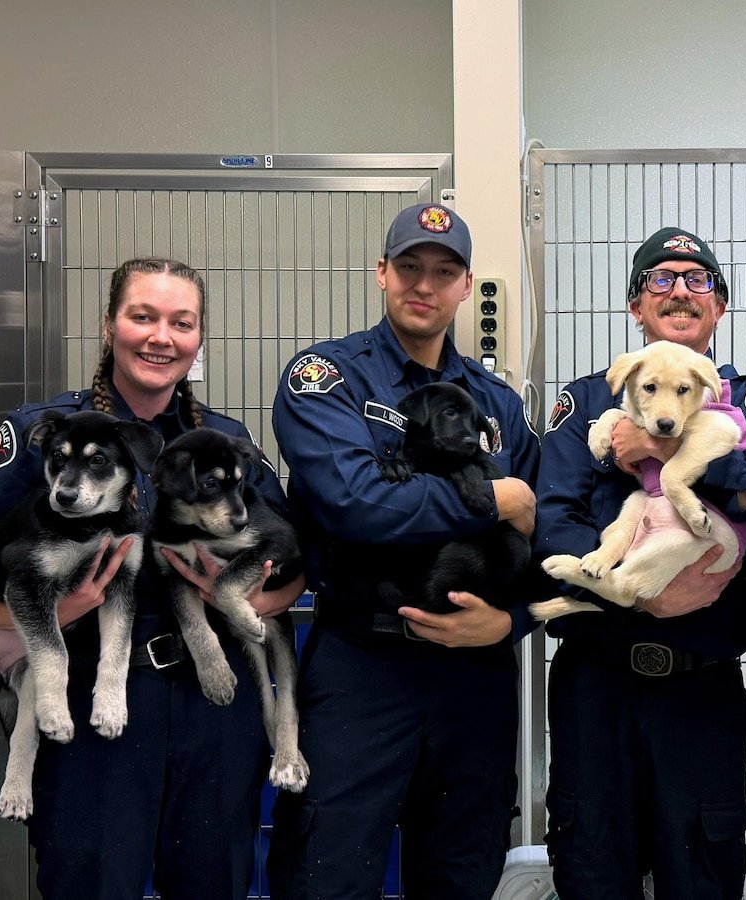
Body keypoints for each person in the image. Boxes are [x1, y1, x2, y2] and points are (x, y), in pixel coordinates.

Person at [0, 257, 304, 899]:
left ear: (199, 336)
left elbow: (290, 571)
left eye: (181, 322)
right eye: (142, 317)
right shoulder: (46, 434)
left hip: (213, 705)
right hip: (91, 699)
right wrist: (58, 615)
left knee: (215, 881)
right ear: (109, 327)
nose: (162, 337)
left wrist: (236, 597)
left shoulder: (225, 443)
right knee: (92, 883)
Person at [266, 202, 540, 899]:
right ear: (381, 273)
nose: (424, 285)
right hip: (364, 666)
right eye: (409, 268)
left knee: (463, 869)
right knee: (326, 870)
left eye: (443, 272)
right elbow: (354, 504)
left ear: (465, 285)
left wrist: (515, 622)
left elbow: (555, 530)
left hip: (474, 676)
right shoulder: (328, 379)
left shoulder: (497, 405)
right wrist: (493, 501)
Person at [533, 227, 746, 899]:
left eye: (699, 281)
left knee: (702, 876)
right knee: (592, 870)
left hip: (701, 690)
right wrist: (637, 593)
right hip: (594, 687)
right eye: (660, 279)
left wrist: (676, 454)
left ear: (720, 307)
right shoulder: (589, 404)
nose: (681, 292)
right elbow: (553, 527)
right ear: (636, 308)